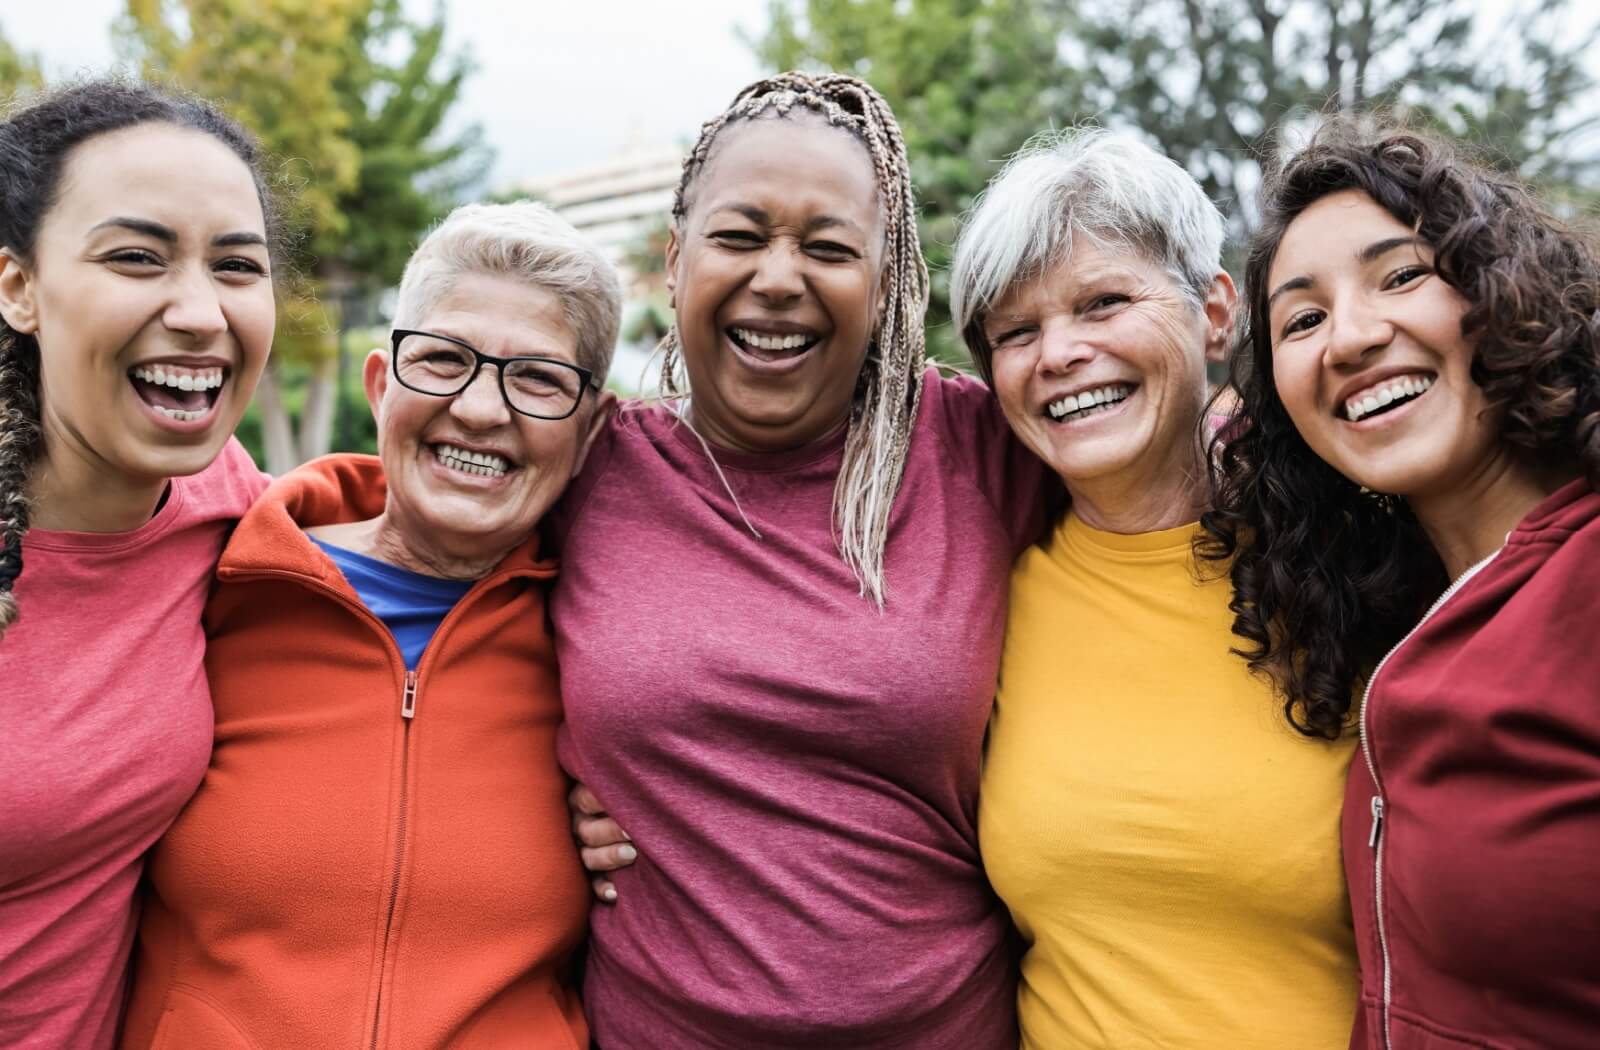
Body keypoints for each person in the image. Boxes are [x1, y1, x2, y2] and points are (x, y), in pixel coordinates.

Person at [554, 71, 1049, 1048]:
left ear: (884, 277)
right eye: (739, 237)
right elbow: (428, 603)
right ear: (674, 260)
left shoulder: (986, 451)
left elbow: (1188, 510)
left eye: (827, 248)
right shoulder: (583, 467)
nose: (778, 278)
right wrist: (533, 801)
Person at [116, 201, 618, 1049]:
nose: (482, 410)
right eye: (443, 360)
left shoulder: (609, 657)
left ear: (591, 427)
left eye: (537, 378)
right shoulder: (207, 580)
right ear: (382, 385)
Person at [950, 129, 1360, 1048]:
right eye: (1017, 332)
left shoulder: (1361, 558)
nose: (1058, 353)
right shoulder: (987, 600)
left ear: (1215, 311)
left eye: (1102, 302)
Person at [1204, 120, 1600, 1050]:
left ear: (1505, 291)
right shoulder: (1387, 622)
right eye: (1302, 319)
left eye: (1401, 276)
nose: (1350, 337)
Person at [0, 79, 275, 1049]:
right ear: (18, 288)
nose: (200, 312)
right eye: (135, 257)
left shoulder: (232, 504)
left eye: (237, 266)